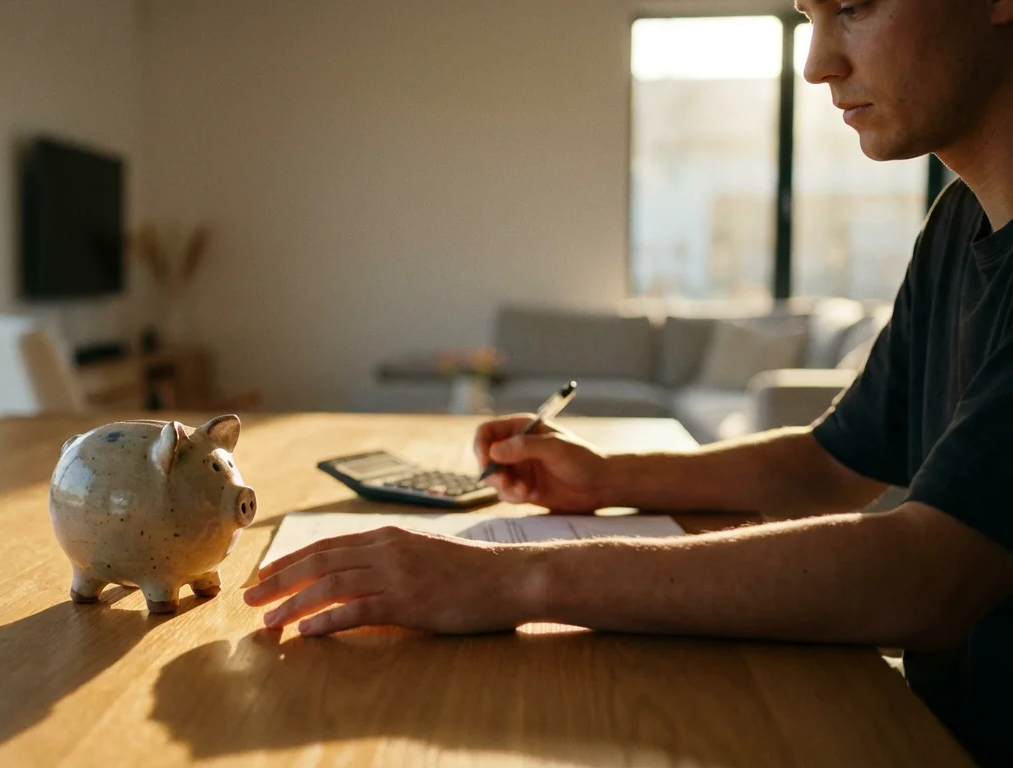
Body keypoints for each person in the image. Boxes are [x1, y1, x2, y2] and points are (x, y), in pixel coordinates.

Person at [244, 0, 1013, 762]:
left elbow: (929, 574)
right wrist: (609, 476)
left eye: (854, 6)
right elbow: (830, 462)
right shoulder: (955, 224)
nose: (816, 64)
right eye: (808, 15)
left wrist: (508, 581)